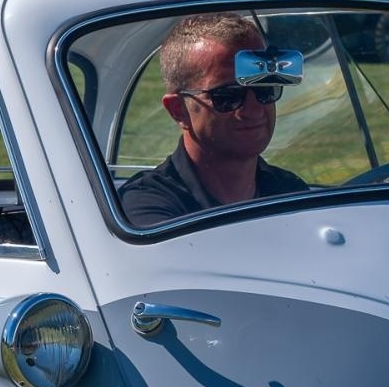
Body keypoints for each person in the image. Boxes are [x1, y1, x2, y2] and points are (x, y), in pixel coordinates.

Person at [119, 13, 308, 227]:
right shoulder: (147, 207)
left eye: (265, 89)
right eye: (228, 96)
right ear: (178, 110)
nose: (254, 110)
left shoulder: (289, 191)